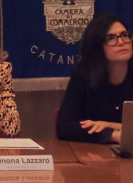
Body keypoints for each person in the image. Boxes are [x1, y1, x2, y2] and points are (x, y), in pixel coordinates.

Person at [56, 12, 133, 144]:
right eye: (111, 38)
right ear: (97, 46)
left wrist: (110, 126)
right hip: (95, 154)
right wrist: (111, 135)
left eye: (125, 35)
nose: (121, 42)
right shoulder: (83, 75)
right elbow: (64, 127)